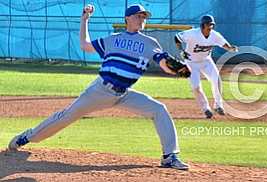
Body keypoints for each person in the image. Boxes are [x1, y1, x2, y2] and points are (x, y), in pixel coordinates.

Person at [7, 4, 189, 170]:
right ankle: (27, 137)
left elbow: (164, 63)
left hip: (123, 94)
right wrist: (84, 20)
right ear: (127, 18)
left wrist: (175, 70)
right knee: (64, 117)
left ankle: (169, 156)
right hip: (99, 91)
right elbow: (85, 45)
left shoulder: (150, 43)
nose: (142, 19)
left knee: (159, 109)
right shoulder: (113, 39)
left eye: (144, 17)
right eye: (138, 16)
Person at [174, 15, 238, 119]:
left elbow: (223, 44)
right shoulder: (193, 34)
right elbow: (177, 37)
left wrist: (230, 48)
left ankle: (218, 105)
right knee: (196, 87)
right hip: (191, 63)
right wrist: (181, 50)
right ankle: (206, 109)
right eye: (208, 24)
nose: (210, 27)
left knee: (217, 80)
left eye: (212, 25)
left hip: (206, 61)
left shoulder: (214, 35)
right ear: (203, 25)